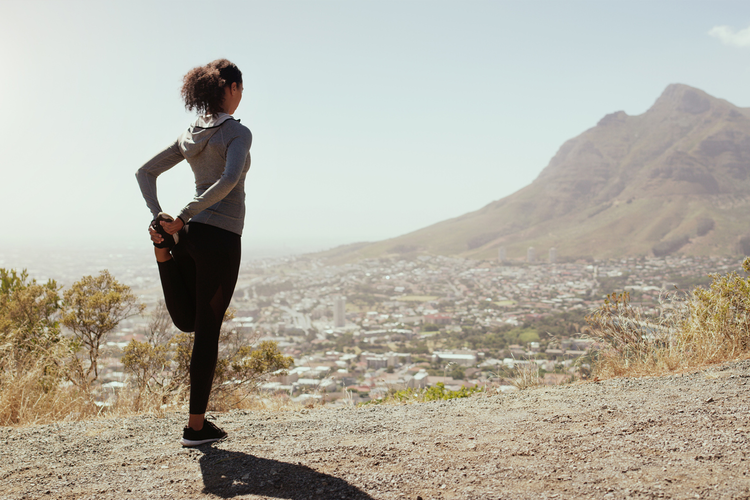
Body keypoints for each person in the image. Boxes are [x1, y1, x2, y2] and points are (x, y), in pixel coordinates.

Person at [135, 59, 252, 447]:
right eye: (241, 88)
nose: (241, 96)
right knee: (207, 331)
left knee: (189, 322)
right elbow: (230, 178)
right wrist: (181, 215)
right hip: (219, 238)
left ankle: (162, 252)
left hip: (189, 237)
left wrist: (162, 217)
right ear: (231, 88)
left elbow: (144, 172)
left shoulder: (190, 134)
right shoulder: (237, 132)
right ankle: (196, 428)